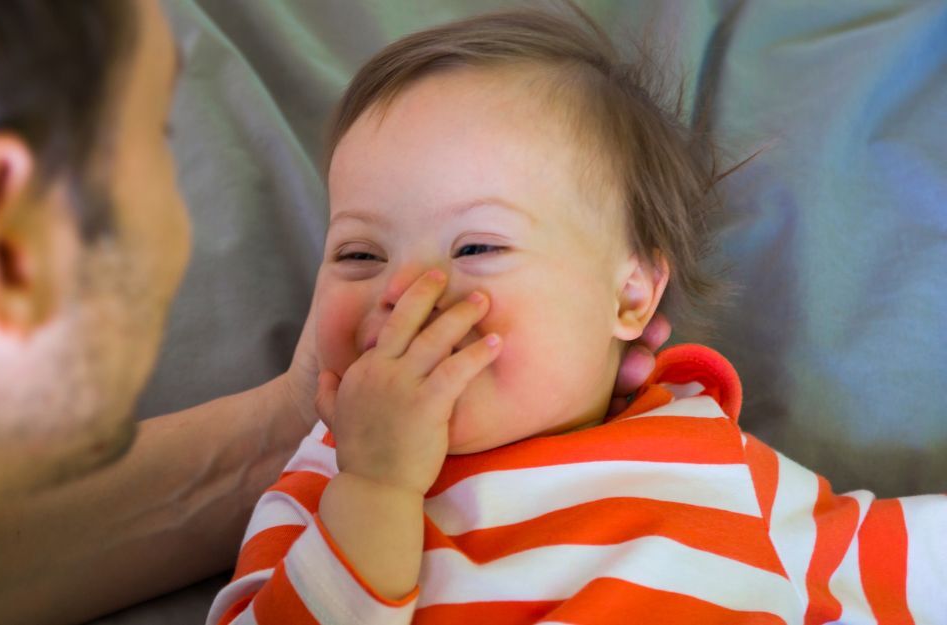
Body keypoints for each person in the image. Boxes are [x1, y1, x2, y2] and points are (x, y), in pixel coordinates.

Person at [0, 2, 668, 625]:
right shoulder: (328, 510)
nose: (401, 292)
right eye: (160, 135)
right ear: (1, 249)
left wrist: (291, 422)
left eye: (476, 246)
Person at [208, 8, 947, 625]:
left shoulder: (708, 459)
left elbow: (873, 557)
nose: (407, 291)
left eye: (477, 245)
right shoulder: (326, 480)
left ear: (628, 295)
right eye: (359, 255)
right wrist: (375, 488)